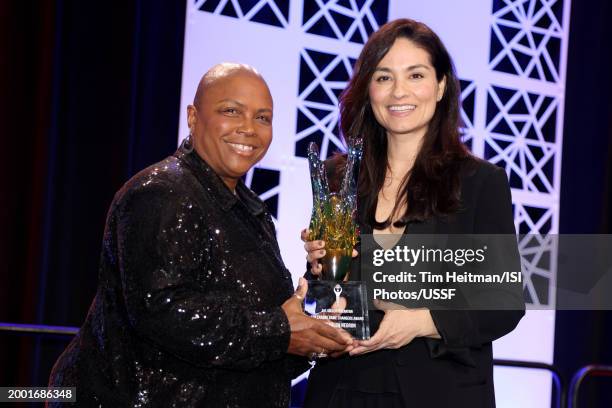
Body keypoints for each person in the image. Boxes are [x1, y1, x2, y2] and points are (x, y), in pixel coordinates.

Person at [48, 63, 352, 407]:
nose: (249, 129)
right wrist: (281, 332)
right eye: (231, 111)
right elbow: (165, 312)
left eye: (263, 118)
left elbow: (253, 341)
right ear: (193, 117)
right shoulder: (162, 191)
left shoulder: (251, 210)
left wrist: (313, 336)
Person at [301, 19, 525, 407]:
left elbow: (503, 301)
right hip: (343, 387)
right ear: (367, 90)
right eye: (383, 77)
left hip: (439, 390)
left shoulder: (479, 182)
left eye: (415, 75)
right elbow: (331, 292)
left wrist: (420, 321)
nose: (398, 92)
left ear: (440, 86)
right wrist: (317, 277)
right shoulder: (340, 175)